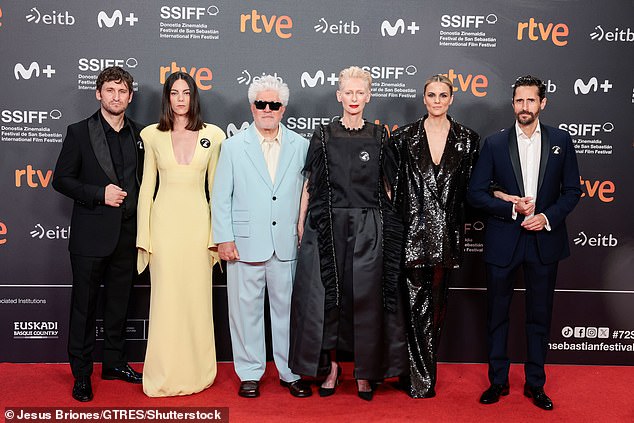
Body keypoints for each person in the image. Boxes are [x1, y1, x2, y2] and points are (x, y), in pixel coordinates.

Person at [289, 66, 407, 401]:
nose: (354, 99)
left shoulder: (381, 135)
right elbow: (311, 183)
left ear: (369, 96)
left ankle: (366, 373)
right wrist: (301, 222)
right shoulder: (323, 135)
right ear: (339, 95)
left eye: (360, 93)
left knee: (367, 299)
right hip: (328, 226)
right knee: (331, 299)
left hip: (370, 226)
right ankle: (333, 368)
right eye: (348, 92)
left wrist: (391, 228)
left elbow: (387, 188)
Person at [467, 75, 581, 410]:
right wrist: (510, 207)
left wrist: (545, 218)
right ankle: (497, 381)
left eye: (531, 101)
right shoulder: (494, 143)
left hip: (544, 242)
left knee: (539, 316)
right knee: (497, 314)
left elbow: (572, 191)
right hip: (505, 239)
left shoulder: (561, 140)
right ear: (512, 103)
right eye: (519, 101)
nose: (524, 107)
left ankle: (536, 384)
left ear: (542, 103)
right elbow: (475, 193)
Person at [212, 75, 312, 398]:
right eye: (261, 104)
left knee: (288, 312)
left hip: (286, 244)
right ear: (251, 107)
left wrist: (303, 230)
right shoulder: (232, 147)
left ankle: (289, 371)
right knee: (245, 312)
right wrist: (223, 238)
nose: (267, 109)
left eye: (274, 104)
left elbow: (307, 194)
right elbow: (220, 197)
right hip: (243, 244)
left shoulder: (302, 146)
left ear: (283, 109)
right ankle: (250, 372)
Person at [53, 66, 144, 402]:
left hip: (128, 236)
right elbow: (60, 180)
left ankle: (114, 363)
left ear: (130, 97)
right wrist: (97, 193)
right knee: (85, 307)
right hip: (91, 235)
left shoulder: (139, 135)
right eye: (110, 91)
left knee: (120, 304)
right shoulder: (79, 132)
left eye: (122, 92)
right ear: (98, 93)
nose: (116, 97)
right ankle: (81, 374)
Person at [390, 74, 480, 398]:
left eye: (443, 95)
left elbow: (475, 191)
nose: (437, 100)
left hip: (446, 238)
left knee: (437, 307)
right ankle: (420, 380)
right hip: (413, 234)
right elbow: (389, 189)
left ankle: (418, 373)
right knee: (414, 305)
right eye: (432, 95)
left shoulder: (468, 140)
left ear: (451, 99)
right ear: (424, 98)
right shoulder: (402, 139)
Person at [136, 71, 225, 397]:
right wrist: (143, 238)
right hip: (164, 228)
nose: (181, 99)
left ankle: (199, 371)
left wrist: (217, 236)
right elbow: (147, 187)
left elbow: (216, 190)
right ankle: (163, 372)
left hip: (198, 229)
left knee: (197, 301)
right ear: (167, 97)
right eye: (175, 93)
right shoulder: (151, 135)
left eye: (186, 92)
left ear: (193, 97)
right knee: (165, 302)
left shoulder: (213, 135)